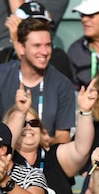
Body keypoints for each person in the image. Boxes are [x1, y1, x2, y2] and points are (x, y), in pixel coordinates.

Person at [0, 16, 76, 144]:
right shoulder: (2, 76)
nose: (44, 52)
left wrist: (48, 140)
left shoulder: (62, 84)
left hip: (44, 157)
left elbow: (64, 137)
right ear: (21, 48)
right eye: (37, 46)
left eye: (48, 45)